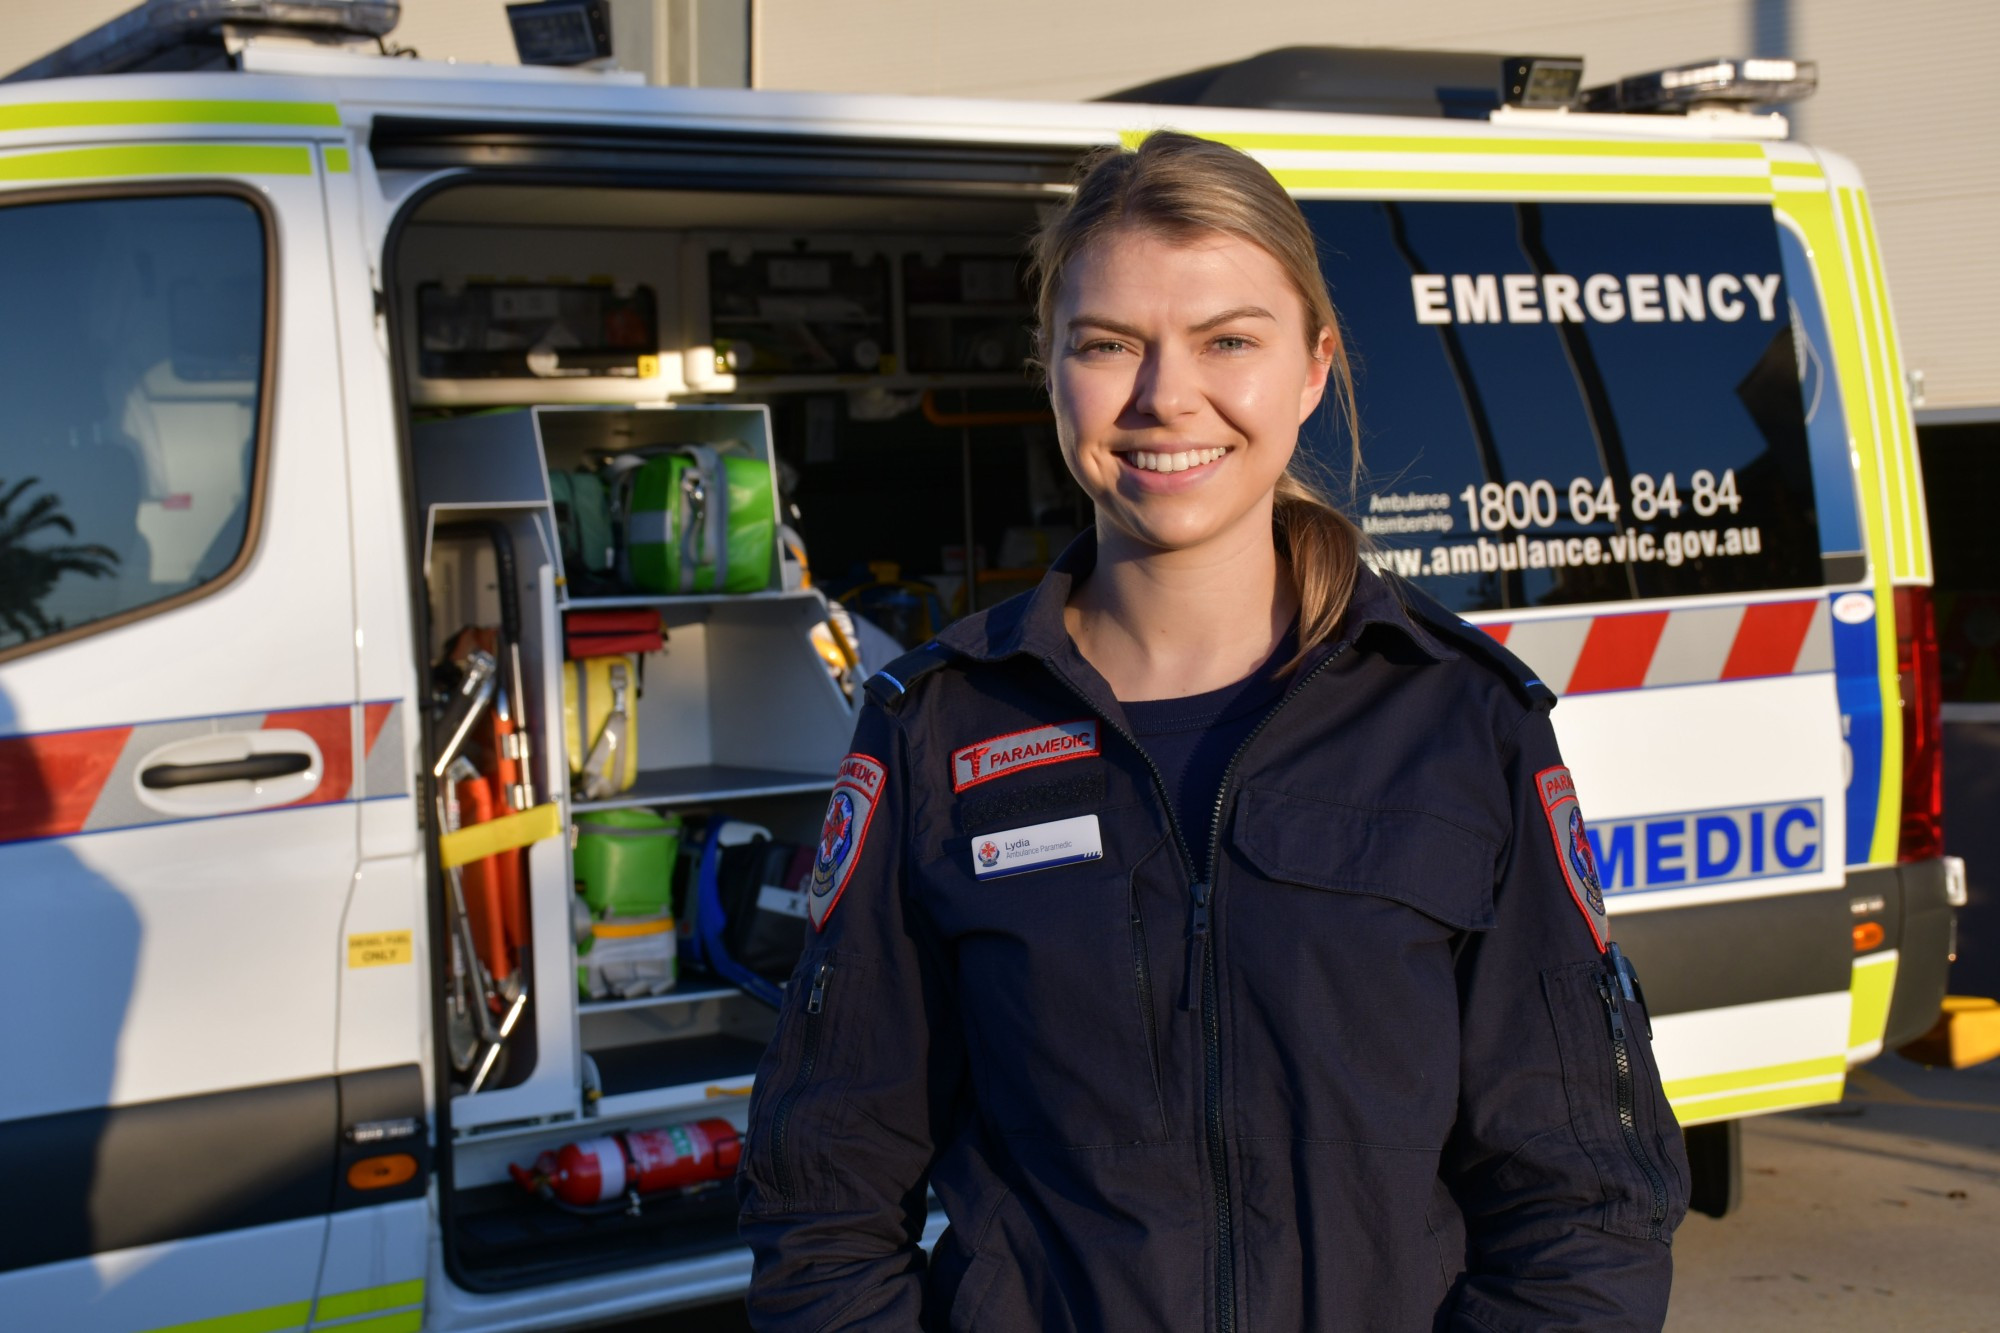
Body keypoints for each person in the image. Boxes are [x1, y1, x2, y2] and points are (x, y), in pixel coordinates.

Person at [738, 130, 1689, 1332]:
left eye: (1227, 340)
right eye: (1107, 344)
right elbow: (822, 1201)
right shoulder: (935, 729)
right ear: (1049, 369)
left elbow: (1585, 1204)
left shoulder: (1459, 721)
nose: (1162, 397)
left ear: (1310, 367)